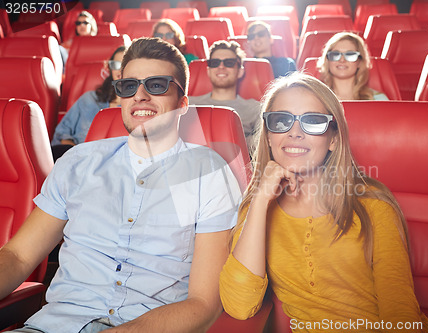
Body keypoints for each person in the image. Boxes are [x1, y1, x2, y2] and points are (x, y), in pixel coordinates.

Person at [0, 37, 241, 333]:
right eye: (129, 86)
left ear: (182, 104)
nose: (140, 95)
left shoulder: (210, 172)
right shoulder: (78, 163)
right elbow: (18, 256)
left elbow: (205, 303)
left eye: (156, 85)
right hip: (55, 325)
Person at [219, 72, 428, 332]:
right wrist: (260, 199)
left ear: (333, 138)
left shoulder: (372, 205)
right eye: (281, 121)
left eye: (312, 121)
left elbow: (400, 312)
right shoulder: (259, 207)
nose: (295, 133)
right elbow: (240, 306)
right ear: (268, 136)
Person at [51, 45, 126, 160]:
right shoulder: (89, 98)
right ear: (110, 68)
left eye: (125, 65)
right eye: (115, 65)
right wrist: (77, 156)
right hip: (76, 159)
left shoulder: (137, 108)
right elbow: (63, 132)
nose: (120, 70)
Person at [188, 40, 261, 152]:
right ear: (208, 71)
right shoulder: (189, 104)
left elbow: (261, 146)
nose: (221, 67)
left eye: (229, 63)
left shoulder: (254, 108)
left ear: (240, 71)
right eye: (215, 63)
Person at [317, 32, 389, 101]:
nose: (342, 60)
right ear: (327, 61)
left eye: (350, 55)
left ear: (359, 62)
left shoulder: (378, 99)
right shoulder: (316, 99)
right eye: (335, 54)